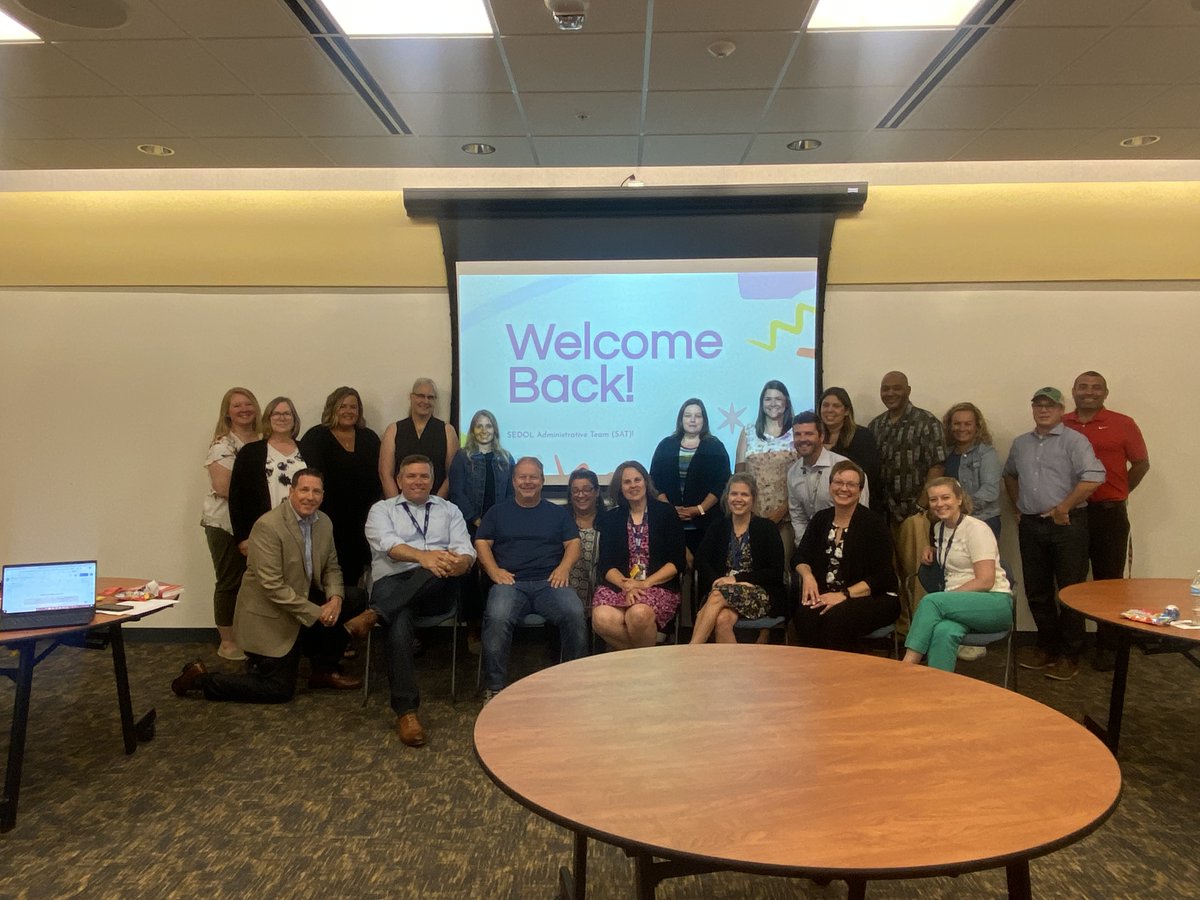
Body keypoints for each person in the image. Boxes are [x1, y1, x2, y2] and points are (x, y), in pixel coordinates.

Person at [171, 469, 363, 703]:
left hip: (299, 602)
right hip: (270, 615)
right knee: (277, 690)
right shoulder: (268, 526)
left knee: (354, 598)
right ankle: (200, 680)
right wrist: (317, 612)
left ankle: (323, 670)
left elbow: (331, 567)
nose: (310, 497)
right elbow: (272, 586)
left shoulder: (324, 522)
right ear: (291, 492)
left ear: (323, 495)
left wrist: (335, 600)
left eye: (316, 491)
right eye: (304, 490)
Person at [346, 455, 475, 747]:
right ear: (399, 480)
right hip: (393, 581)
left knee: (437, 568)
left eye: (424, 476)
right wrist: (422, 557)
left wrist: (463, 562)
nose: (418, 481)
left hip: (437, 586)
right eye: (411, 476)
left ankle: (375, 614)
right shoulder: (381, 510)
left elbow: (465, 548)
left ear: (433, 480)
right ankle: (407, 713)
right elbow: (389, 546)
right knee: (400, 621)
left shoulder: (449, 510)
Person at [1004, 387, 1105, 682]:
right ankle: (1046, 647)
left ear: (1061, 410)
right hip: (1031, 525)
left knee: (1070, 592)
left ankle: (1070, 654)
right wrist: (1018, 506)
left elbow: (1094, 476)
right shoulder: (1021, 443)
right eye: (1038, 405)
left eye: (1050, 405)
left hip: (1067, 525)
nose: (1043, 410)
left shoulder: (1075, 441)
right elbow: (1009, 474)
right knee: (1036, 590)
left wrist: (1064, 507)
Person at [475, 457, 588, 697]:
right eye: (522, 477)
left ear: (542, 481)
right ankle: (494, 687)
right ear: (513, 481)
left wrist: (563, 568)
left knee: (574, 612)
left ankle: (575, 681)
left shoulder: (557, 513)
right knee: (497, 617)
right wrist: (493, 571)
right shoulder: (497, 512)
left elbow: (574, 543)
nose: (528, 482)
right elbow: (482, 542)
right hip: (510, 583)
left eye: (533, 477)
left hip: (550, 583)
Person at [1063, 371, 1150, 671]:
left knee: (1109, 583)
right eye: (1083, 387)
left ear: (1105, 393)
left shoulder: (1123, 423)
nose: (1089, 392)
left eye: (1096, 387)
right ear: (1073, 391)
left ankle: (1108, 646)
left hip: (1108, 513)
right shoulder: (1061, 423)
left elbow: (1141, 464)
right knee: (1071, 581)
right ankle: (1071, 647)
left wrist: (1120, 490)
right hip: (1073, 512)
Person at [901, 478, 1013, 672]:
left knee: (931, 601)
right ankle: (937, 687)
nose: (939, 504)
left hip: (993, 602)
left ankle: (906, 667)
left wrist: (947, 598)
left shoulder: (977, 529)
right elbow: (957, 554)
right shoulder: (939, 528)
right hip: (959, 606)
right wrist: (933, 550)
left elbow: (985, 581)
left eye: (946, 497)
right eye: (933, 499)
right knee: (944, 631)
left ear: (959, 499)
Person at [793, 460, 899, 649]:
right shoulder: (820, 519)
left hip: (874, 597)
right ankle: (814, 667)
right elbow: (800, 557)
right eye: (838, 482)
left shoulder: (874, 524)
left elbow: (882, 577)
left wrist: (844, 595)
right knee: (805, 615)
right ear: (830, 486)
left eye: (851, 484)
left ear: (860, 490)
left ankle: (843, 667)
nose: (844, 489)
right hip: (829, 595)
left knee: (836, 618)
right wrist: (807, 576)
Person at [592, 461, 686, 650]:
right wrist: (627, 585)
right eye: (627, 482)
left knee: (638, 614)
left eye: (637, 480)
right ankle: (648, 659)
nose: (633, 485)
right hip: (620, 586)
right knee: (601, 618)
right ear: (620, 487)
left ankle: (636, 663)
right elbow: (606, 564)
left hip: (657, 585)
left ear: (646, 482)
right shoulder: (611, 518)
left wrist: (644, 584)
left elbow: (677, 562)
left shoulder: (666, 512)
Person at [299, 386, 382, 590]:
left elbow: (379, 476)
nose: (348, 411)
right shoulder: (316, 437)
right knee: (327, 574)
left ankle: (350, 609)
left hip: (362, 520)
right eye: (342, 406)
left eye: (353, 407)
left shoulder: (370, 438)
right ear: (332, 408)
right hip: (327, 519)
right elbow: (311, 480)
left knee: (355, 577)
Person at [201, 386, 260, 661]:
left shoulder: (264, 440)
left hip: (256, 524)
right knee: (230, 581)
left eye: (248, 404)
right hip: (224, 524)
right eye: (237, 405)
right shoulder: (222, 445)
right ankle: (227, 641)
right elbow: (223, 487)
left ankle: (250, 636)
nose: (244, 409)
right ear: (227, 412)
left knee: (255, 582)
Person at [691, 474, 786, 644]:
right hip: (722, 591)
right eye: (734, 494)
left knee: (717, 596)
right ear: (727, 497)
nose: (738, 499)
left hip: (758, 593)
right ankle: (732, 664)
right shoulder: (718, 526)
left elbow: (775, 572)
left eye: (744, 494)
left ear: (753, 499)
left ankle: (691, 650)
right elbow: (701, 560)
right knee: (722, 619)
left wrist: (737, 580)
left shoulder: (767, 528)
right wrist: (717, 581)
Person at [449, 409, 516, 646]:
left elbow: (511, 494)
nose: (484, 430)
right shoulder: (462, 457)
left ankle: (495, 624)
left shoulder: (506, 458)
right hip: (469, 526)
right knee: (470, 578)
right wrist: (476, 519)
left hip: (500, 528)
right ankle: (473, 627)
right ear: (472, 430)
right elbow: (457, 492)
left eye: (488, 426)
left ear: (495, 429)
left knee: (495, 574)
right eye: (479, 426)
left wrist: (497, 522)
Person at [649, 398, 731, 555]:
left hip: (707, 523)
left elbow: (722, 483)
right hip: (671, 523)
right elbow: (655, 480)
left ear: (704, 420)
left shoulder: (715, 447)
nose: (692, 420)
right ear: (681, 419)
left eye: (698, 416)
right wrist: (670, 510)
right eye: (688, 415)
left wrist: (700, 509)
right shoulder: (665, 446)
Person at [867, 371, 945, 527]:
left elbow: (937, 467)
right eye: (885, 389)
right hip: (883, 513)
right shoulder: (875, 425)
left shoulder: (927, 422)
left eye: (897, 388)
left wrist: (921, 506)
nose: (890, 393)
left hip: (915, 513)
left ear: (908, 390)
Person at [229, 396, 305, 553]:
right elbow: (237, 496)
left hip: (303, 530)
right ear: (268, 418)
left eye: (287, 414)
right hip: (265, 533)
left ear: (294, 419)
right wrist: (242, 537)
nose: (282, 418)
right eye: (276, 414)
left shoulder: (309, 450)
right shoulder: (250, 453)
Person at [787, 411, 869, 548]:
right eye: (798, 434)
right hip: (812, 547)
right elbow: (798, 517)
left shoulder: (845, 468)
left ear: (821, 436)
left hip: (846, 545)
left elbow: (861, 514)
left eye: (809, 433)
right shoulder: (793, 473)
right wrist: (805, 547)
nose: (802, 439)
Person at [734, 380, 797, 549]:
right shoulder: (748, 432)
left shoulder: (796, 432)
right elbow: (739, 476)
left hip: (787, 516)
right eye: (768, 399)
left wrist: (781, 512)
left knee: (783, 561)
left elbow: (801, 476)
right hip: (752, 515)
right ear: (762, 403)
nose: (773, 403)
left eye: (778, 398)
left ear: (786, 402)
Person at [379, 377, 458, 500]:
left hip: (436, 503)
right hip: (399, 503)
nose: (425, 401)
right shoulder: (393, 430)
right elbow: (385, 474)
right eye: (421, 396)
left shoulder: (448, 431)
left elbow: (452, 474)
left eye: (430, 397)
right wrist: (397, 506)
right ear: (411, 397)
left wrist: (437, 504)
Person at [940, 402, 1002, 538]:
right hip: (950, 521)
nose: (962, 428)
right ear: (950, 426)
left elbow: (990, 490)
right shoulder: (945, 454)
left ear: (977, 427)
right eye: (957, 424)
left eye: (967, 424)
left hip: (982, 520)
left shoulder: (986, 453)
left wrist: (960, 508)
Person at [819, 386, 881, 503]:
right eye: (825, 405)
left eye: (836, 406)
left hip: (854, 502)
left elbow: (869, 476)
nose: (829, 410)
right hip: (824, 502)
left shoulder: (862, 436)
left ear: (847, 411)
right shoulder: (816, 438)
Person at [566, 468, 603, 609]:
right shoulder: (561, 519)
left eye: (587, 489)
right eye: (575, 490)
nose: (581, 495)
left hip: (603, 598)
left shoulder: (610, 521)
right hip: (564, 597)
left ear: (597, 491)